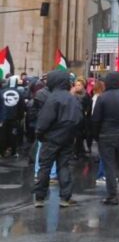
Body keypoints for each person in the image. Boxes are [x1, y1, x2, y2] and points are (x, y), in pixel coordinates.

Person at [31, 70, 81, 208]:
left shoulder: (53, 98)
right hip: (67, 139)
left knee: (44, 168)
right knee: (63, 166)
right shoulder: (73, 98)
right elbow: (79, 119)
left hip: (50, 139)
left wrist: (40, 133)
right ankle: (65, 197)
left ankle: (40, 198)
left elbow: (44, 120)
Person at [92, 71, 119, 205]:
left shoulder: (102, 98)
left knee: (109, 165)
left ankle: (112, 195)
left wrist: (96, 135)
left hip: (106, 134)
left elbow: (96, 119)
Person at [71, 77, 92, 160]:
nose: (77, 86)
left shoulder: (86, 95)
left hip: (83, 119)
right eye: (76, 85)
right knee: (76, 136)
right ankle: (75, 152)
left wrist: (86, 111)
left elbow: (89, 106)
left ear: (83, 86)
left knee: (81, 136)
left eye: (79, 85)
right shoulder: (72, 95)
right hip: (74, 119)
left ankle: (80, 151)